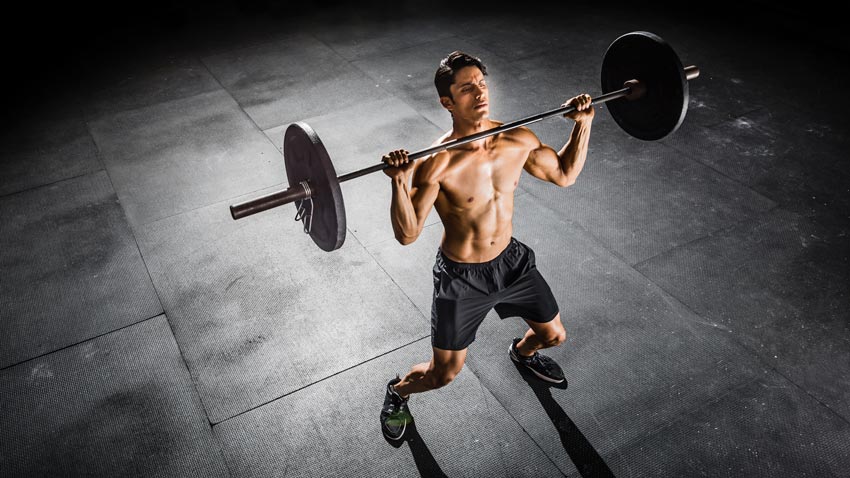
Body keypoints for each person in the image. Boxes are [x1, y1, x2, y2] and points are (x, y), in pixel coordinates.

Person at [379, 51, 594, 441]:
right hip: (461, 278)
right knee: (442, 375)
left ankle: (522, 353)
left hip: (511, 263)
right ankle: (397, 391)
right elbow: (407, 234)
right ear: (447, 102)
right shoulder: (437, 163)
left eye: (481, 83)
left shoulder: (517, 138)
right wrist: (397, 181)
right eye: (466, 88)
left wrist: (583, 123)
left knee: (554, 336)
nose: (478, 93)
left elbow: (563, 174)